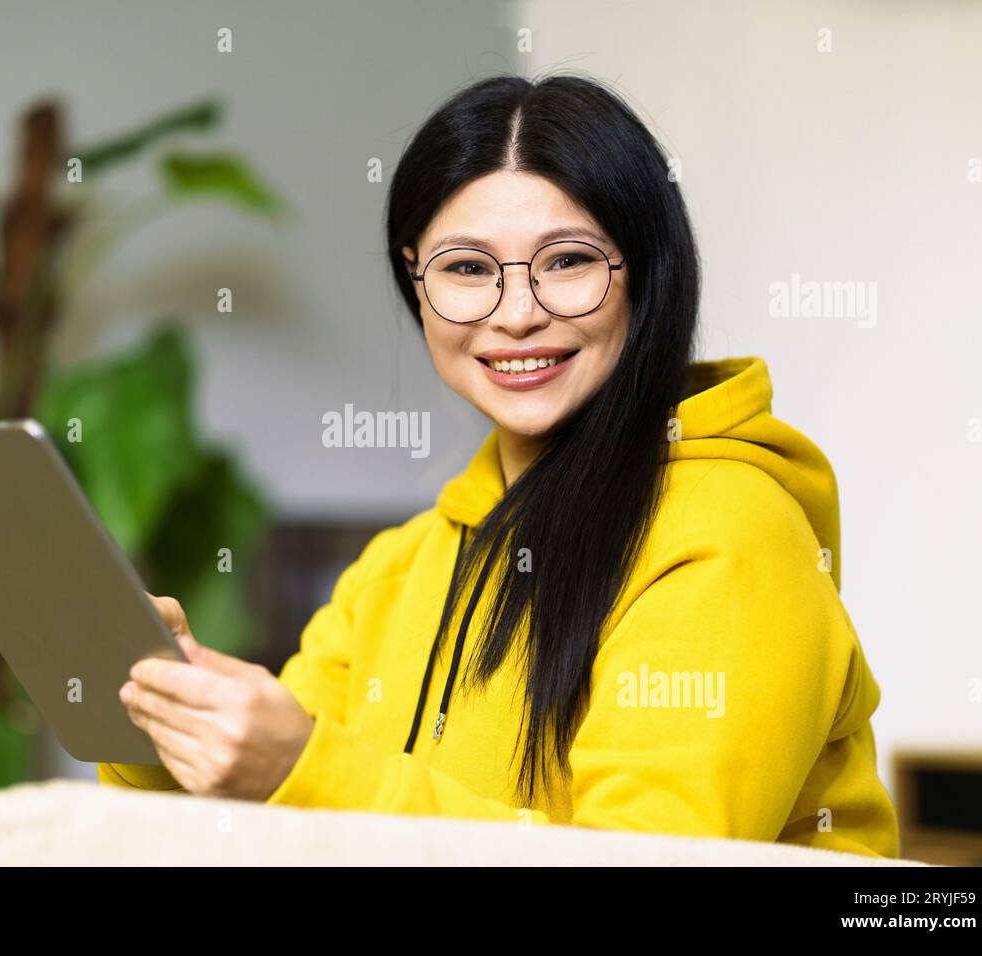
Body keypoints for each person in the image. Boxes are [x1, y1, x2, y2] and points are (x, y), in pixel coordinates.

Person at [98, 72, 899, 858]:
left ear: (646, 272)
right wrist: (158, 722)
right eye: (468, 268)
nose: (518, 314)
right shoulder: (397, 569)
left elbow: (654, 861)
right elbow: (266, 824)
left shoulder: (729, 536)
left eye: (568, 262)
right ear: (416, 279)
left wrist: (302, 767)